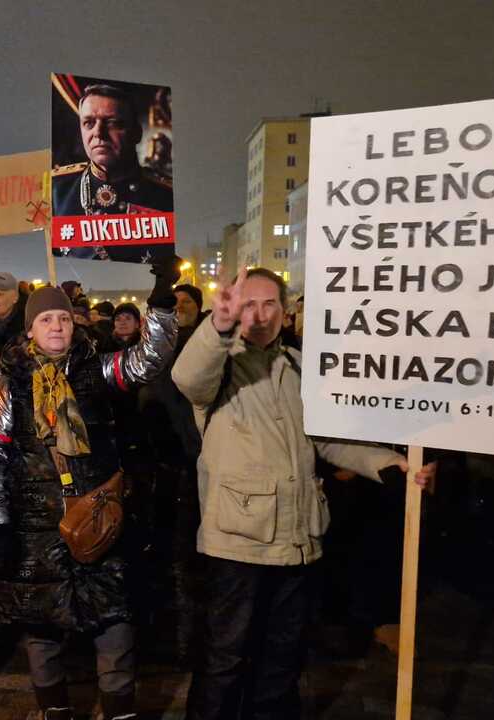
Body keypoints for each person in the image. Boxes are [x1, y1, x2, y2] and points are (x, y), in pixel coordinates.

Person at [172, 268, 435, 720]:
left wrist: (388, 463)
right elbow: (187, 377)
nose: (258, 314)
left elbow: (325, 439)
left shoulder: (297, 365)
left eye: (268, 303)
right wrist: (217, 324)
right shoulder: (221, 365)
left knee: (283, 658)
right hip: (239, 542)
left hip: (297, 539)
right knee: (225, 659)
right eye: (247, 304)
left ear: (284, 309)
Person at [0, 257, 179, 720]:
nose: (56, 326)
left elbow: (149, 359)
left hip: (98, 517)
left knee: (114, 620)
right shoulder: (10, 383)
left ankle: (119, 709)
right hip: (36, 524)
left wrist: (163, 297)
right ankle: (55, 710)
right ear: (30, 329)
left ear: (74, 324)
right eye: (46, 319)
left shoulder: (98, 369)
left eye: (63, 318)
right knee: (42, 628)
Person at [51, 84, 172, 262]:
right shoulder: (55, 190)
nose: (98, 133)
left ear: (136, 133)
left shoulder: (166, 196)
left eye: (112, 123)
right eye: (89, 123)